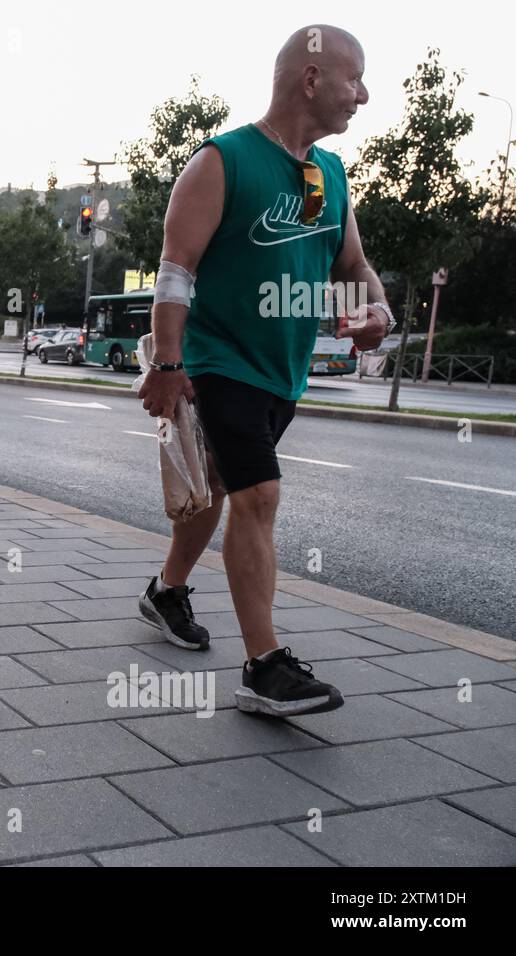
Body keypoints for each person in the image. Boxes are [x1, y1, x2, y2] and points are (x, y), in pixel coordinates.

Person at [136, 24, 392, 717]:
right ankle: (264, 668)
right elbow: (175, 271)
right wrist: (166, 361)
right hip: (220, 363)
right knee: (259, 498)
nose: (363, 95)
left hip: (284, 373)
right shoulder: (222, 161)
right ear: (312, 80)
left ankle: (165, 591)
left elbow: (351, 266)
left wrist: (379, 313)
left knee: (218, 489)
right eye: (354, 79)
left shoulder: (324, 174)